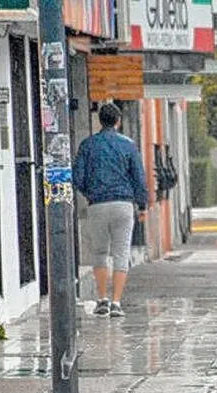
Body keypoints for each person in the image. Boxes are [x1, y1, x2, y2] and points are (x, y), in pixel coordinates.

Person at [73, 102, 148, 318]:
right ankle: (116, 302)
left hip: (97, 205)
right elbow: (139, 177)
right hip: (123, 205)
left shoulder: (88, 145)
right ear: (118, 121)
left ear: (100, 120)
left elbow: (77, 177)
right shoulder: (128, 145)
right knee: (121, 253)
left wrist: (90, 193)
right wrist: (141, 204)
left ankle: (102, 299)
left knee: (100, 252)